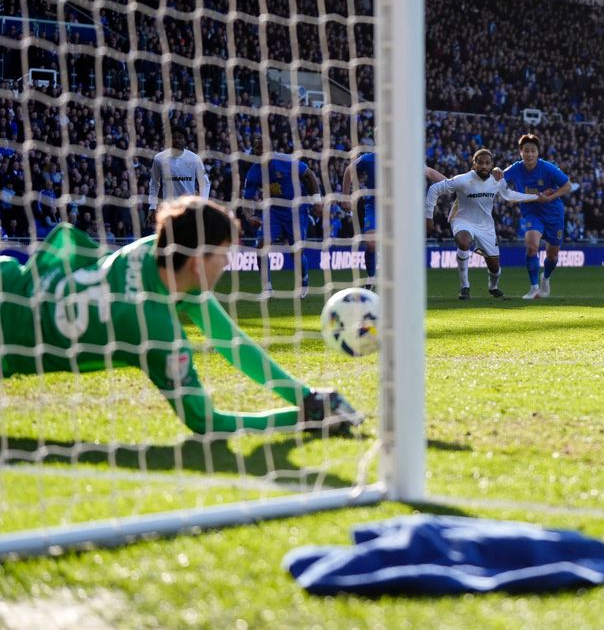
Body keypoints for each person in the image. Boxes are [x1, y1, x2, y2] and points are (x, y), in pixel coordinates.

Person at [0, 197, 361, 435]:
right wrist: (303, 418)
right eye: (222, 255)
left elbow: (230, 341)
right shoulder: (153, 328)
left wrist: (308, 396)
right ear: (196, 262)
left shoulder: (149, 251)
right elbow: (207, 423)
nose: (227, 264)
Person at [425, 148, 542, 299]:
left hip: (486, 226)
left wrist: (535, 197)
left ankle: (493, 287)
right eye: (480, 163)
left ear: (492, 164)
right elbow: (435, 188)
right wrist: (428, 217)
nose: (484, 166)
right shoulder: (463, 179)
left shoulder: (497, 180)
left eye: (487, 163)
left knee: (494, 267)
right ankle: (464, 286)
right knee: (463, 242)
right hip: (463, 220)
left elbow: (509, 195)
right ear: (474, 164)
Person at [242, 133, 322, 299]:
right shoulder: (254, 172)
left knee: (296, 252)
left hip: (296, 209)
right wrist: (249, 216)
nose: (260, 150)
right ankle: (267, 289)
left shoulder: (286, 161)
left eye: (263, 147)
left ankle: (304, 281)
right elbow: (247, 199)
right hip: (273, 211)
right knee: (261, 246)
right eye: (257, 148)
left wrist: (317, 200)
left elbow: (309, 175)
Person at [502, 134, 572, 300]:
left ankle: (545, 278)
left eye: (533, 151)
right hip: (531, 213)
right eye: (526, 151)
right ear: (521, 152)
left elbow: (567, 185)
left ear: (538, 152)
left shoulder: (547, 168)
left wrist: (550, 196)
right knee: (532, 245)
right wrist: (497, 171)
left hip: (553, 213)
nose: (530, 154)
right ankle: (533, 288)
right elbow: (498, 179)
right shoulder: (515, 168)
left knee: (553, 256)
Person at [147, 118, 211, 226]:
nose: (177, 140)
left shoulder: (194, 159)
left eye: (180, 137)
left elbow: (205, 183)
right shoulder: (159, 159)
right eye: (174, 138)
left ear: (185, 140)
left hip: (189, 209)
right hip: (168, 208)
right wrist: (152, 206)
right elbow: (154, 184)